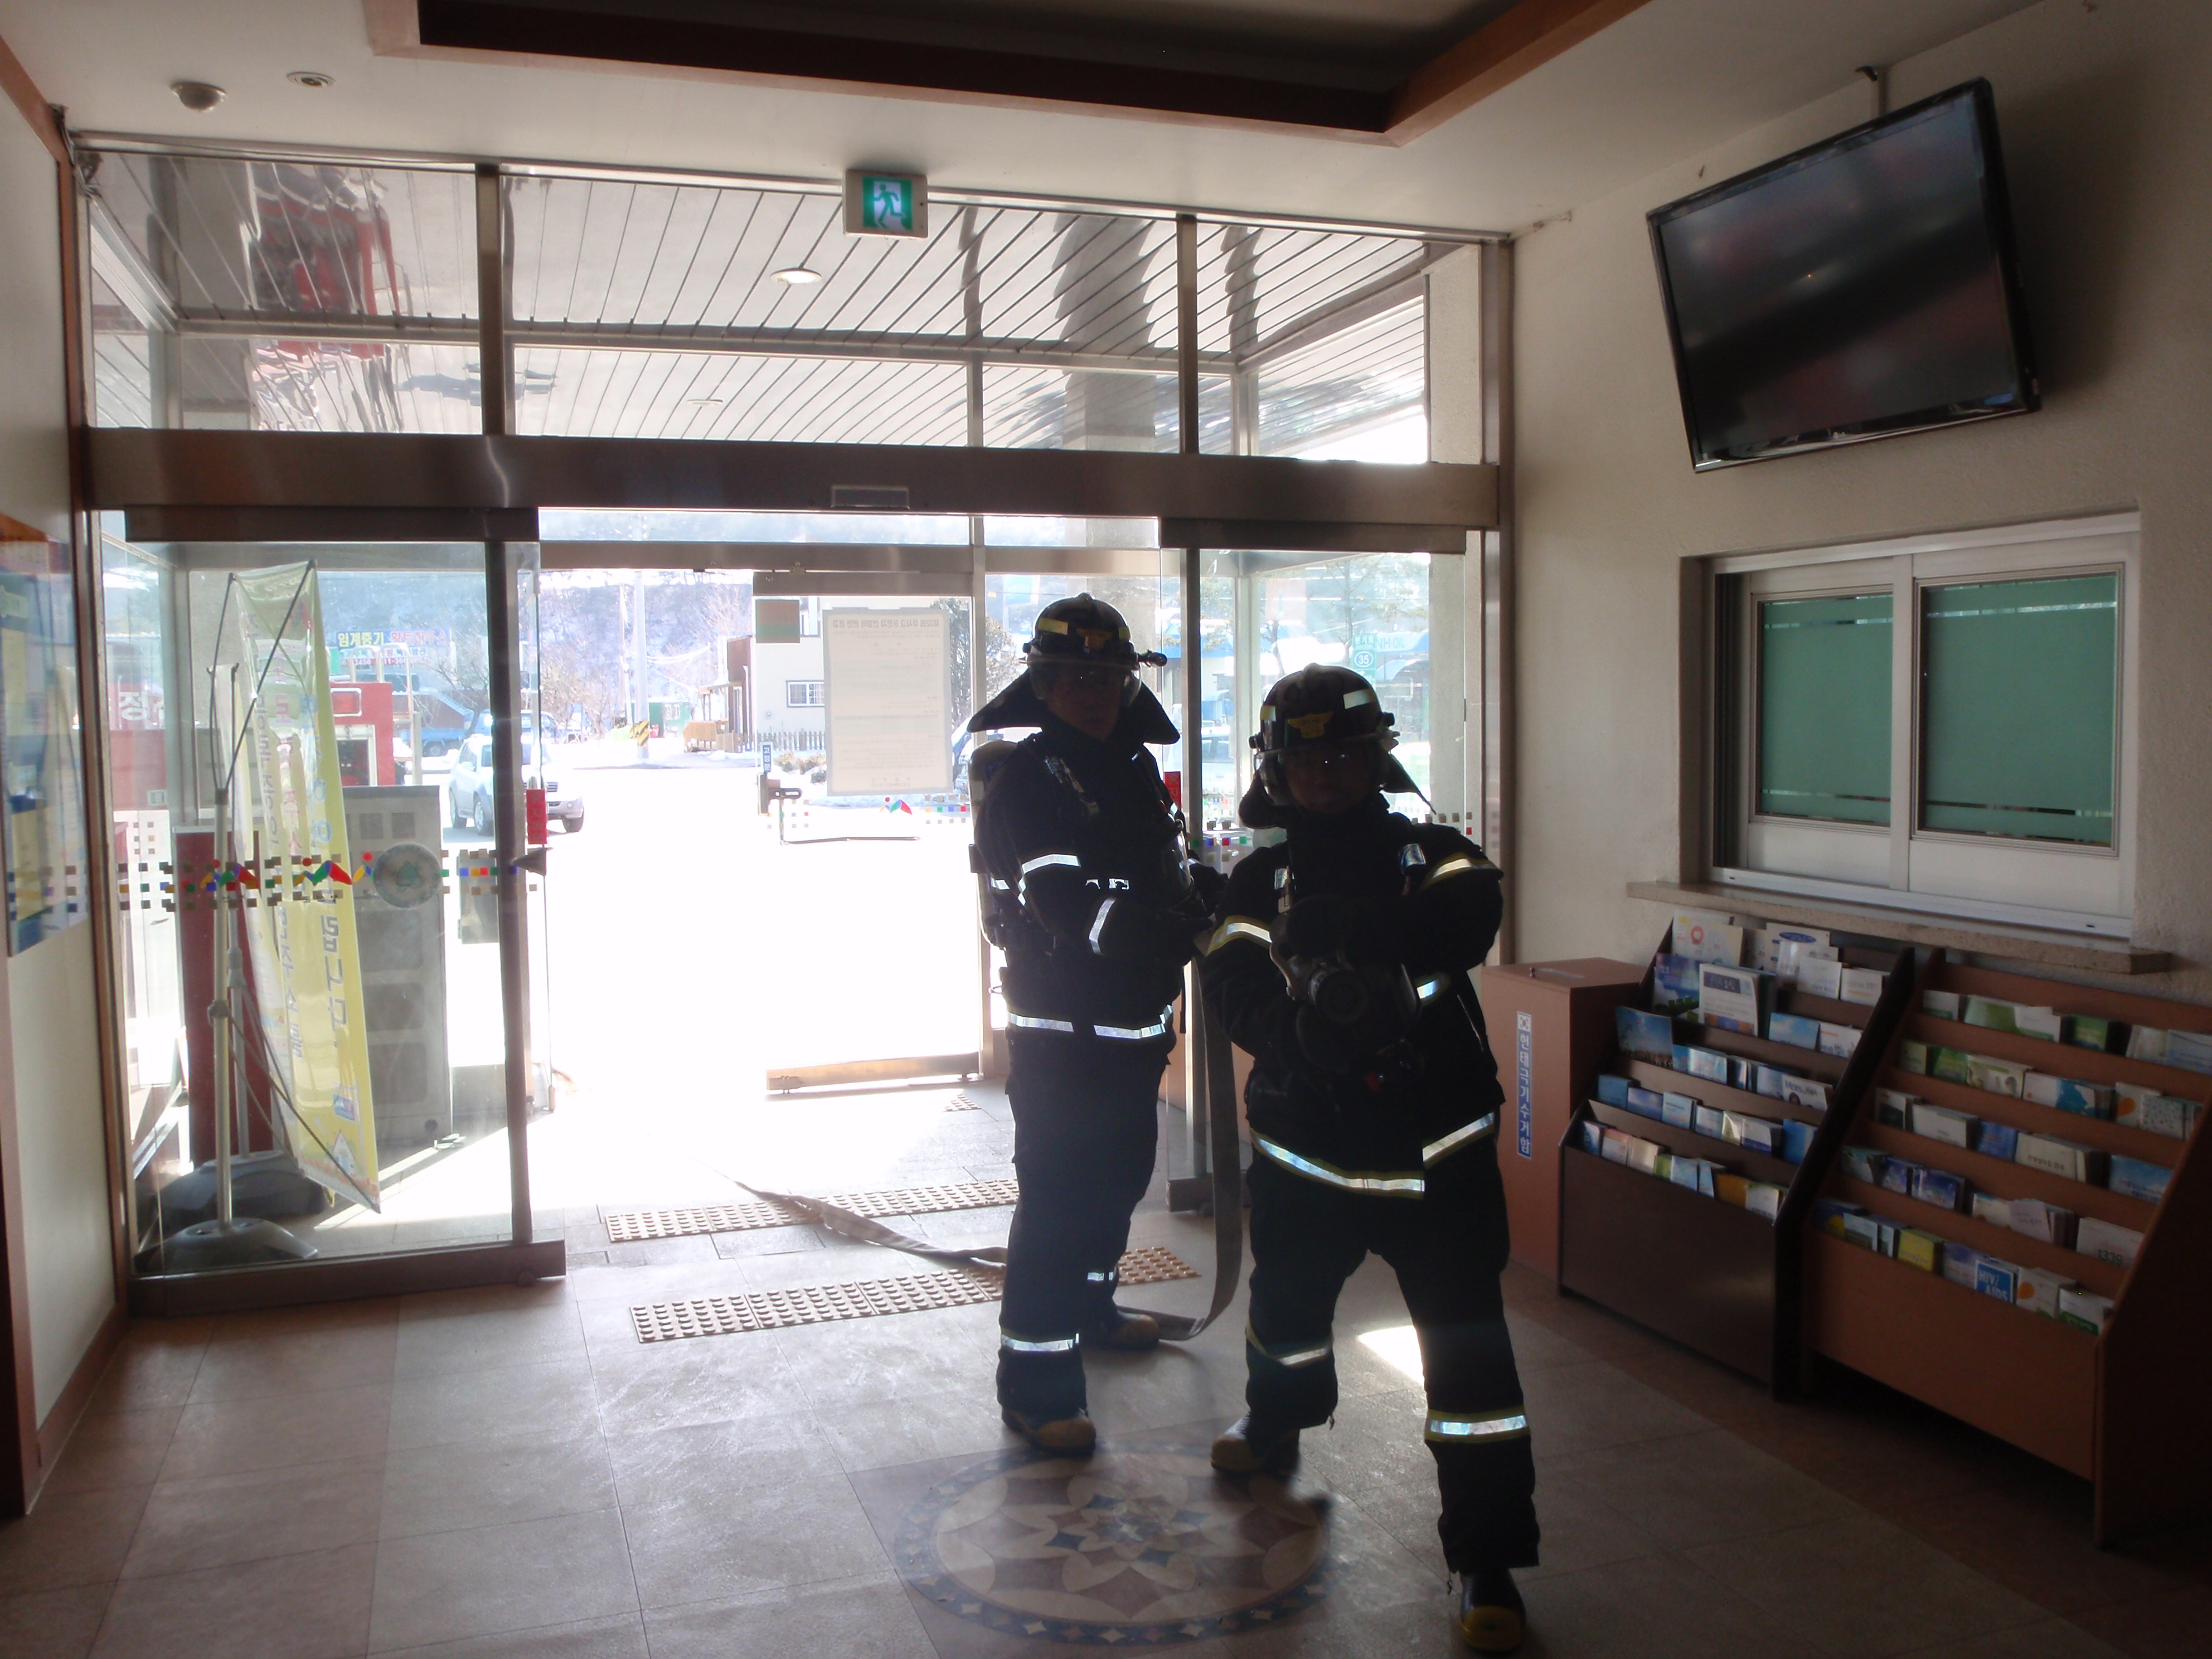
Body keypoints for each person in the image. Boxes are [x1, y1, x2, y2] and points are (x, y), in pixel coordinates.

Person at [1199, 664, 1539, 1655]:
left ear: (1378, 757)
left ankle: (1487, 1558)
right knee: (1285, 1317)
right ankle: (1276, 1424)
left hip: (1437, 1158)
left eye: (1345, 755)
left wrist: (1357, 928)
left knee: (1471, 1366)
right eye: (1306, 759)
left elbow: (1472, 917)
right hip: (1307, 1154)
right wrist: (1293, 1035)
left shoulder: (1434, 855)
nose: (1326, 774)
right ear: (1275, 769)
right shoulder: (1256, 879)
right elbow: (1230, 979)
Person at [967, 593, 1219, 1456]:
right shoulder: (1029, 781)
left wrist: (1212, 898)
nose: (1093, 693)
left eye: (1106, 677)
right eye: (1075, 678)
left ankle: (1093, 1309)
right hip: (1061, 1037)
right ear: (1043, 685)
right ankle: (1037, 1390)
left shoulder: (1133, 768)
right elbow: (1069, 908)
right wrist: (1176, 935)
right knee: (1059, 1202)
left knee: (1118, 1183)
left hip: (1134, 1028)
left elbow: (1162, 873)